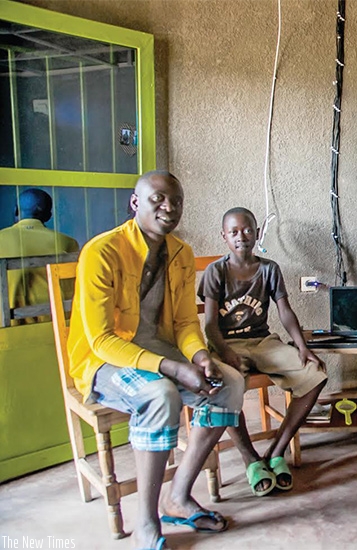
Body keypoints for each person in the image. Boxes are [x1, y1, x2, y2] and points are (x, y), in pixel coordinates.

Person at [67, 171, 244, 550]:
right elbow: (100, 339)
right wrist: (173, 367)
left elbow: (183, 322)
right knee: (160, 394)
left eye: (176, 201)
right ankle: (146, 522)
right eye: (158, 199)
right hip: (105, 362)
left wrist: (198, 356)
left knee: (229, 383)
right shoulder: (103, 251)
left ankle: (177, 497)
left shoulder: (180, 252)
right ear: (135, 203)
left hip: (162, 351)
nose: (169, 207)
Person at [198, 207, 327, 497]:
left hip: (261, 343)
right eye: (233, 232)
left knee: (315, 374)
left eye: (247, 230)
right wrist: (224, 352)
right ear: (224, 237)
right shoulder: (215, 272)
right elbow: (209, 325)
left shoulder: (269, 269)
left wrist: (302, 347)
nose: (241, 236)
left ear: (257, 233)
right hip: (225, 345)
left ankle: (276, 451)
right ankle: (251, 459)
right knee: (225, 388)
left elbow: (285, 311)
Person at [0, 188, 79, 324]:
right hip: (56, 325)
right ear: (48, 216)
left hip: (6, 329)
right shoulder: (67, 243)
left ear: (16, 211)